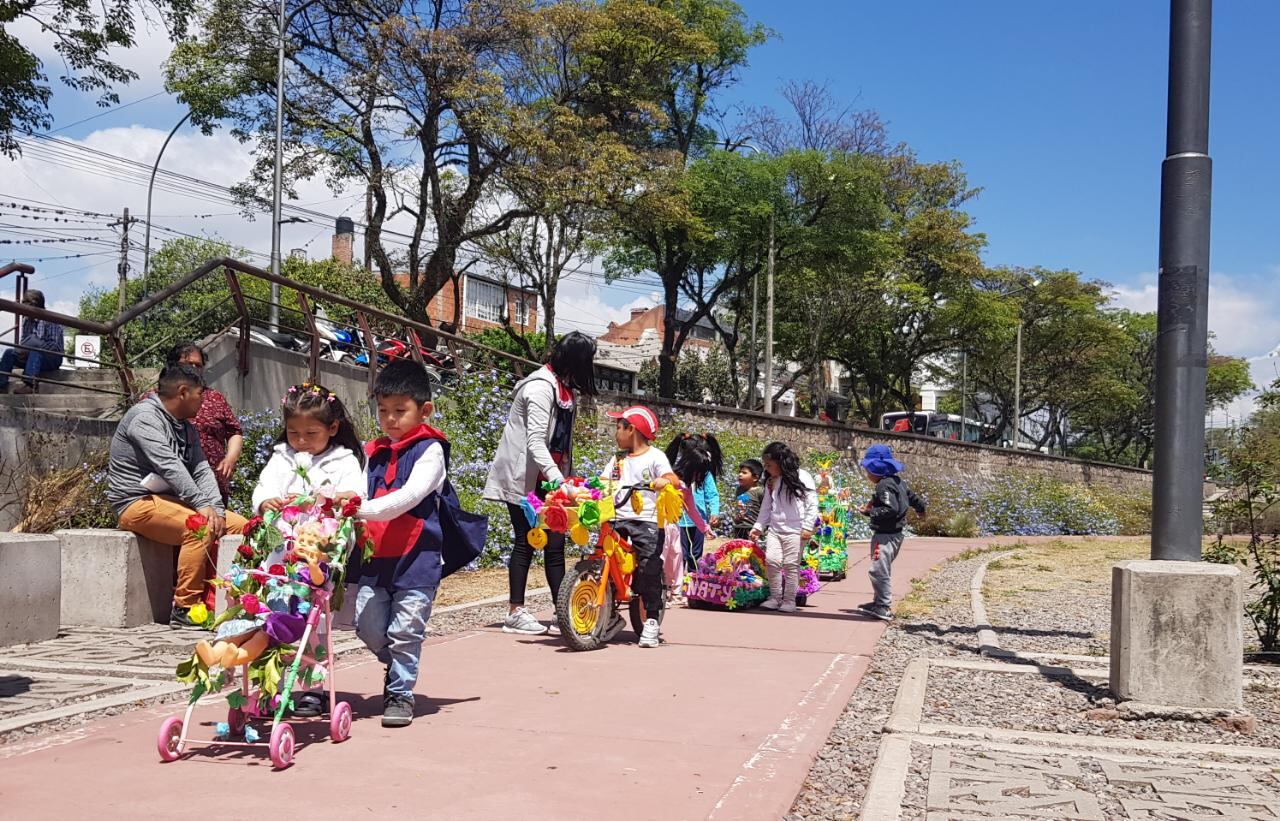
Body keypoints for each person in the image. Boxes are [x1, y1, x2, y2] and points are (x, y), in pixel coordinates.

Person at [351, 360, 483, 727]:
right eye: (382, 411)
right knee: (367, 623)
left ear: (424, 410)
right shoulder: (373, 451)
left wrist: (360, 510)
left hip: (418, 557)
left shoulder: (431, 450)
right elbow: (359, 489)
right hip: (376, 557)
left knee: (406, 628)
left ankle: (400, 693)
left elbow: (410, 496)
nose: (390, 419)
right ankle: (397, 666)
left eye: (399, 411)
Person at [108, 364, 247, 628]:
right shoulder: (145, 418)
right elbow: (169, 466)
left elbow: (200, 468)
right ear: (183, 392)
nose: (202, 403)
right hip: (136, 503)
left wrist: (215, 508)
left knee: (240, 526)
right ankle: (185, 607)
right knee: (199, 528)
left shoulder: (185, 426)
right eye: (199, 396)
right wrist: (201, 506)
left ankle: (231, 599)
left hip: (172, 502)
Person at [483, 331, 597, 637]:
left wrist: (561, 479)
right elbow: (535, 441)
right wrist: (560, 481)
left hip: (547, 480)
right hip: (527, 483)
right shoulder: (539, 388)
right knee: (527, 539)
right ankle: (515, 612)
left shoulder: (564, 389)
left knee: (555, 543)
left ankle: (563, 614)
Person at [600, 406, 679, 648]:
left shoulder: (655, 456)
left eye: (618, 427)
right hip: (616, 517)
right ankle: (609, 614)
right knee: (604, 558)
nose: (615, 433)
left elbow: (672, 478)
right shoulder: (617, 459)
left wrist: (663, 480)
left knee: (648, 568)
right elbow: (604, 481)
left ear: (631, 429)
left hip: (646, 520)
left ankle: (652, 620)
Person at [855, 444, 926, 622]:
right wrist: (921, 509)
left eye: (868, 470)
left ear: (876, 469)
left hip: (885, 536)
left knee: (878, 570)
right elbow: (913, 498)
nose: (867, 474)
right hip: (895, 534)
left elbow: (890, 509)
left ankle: (883, 606)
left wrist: (869, 512)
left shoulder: (883, 486)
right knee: (881, 568)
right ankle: (878, 602)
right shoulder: (898, 482)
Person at [166, 342, 243, 505]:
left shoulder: (215, 398)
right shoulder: (158, 399)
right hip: (171, 489)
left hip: (214, 488)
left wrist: (230, 459)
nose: (194, 369)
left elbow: (234, 432)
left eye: (198, 365)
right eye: (188, 364)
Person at [749, 442, 818, 613]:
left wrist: (808, 526)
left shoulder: (803, 476)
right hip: (775, 529)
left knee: (791, 565)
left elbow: (812, 503)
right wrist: (758, 526)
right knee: (771, 561)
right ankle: (774, 597)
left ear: (780, 462)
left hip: (797, 530)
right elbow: (766, 506)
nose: (766, 468)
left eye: (769, 465)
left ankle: (789, 600)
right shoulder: (771, 481)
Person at [664, 432, 722, 573]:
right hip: (673, 523)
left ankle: (686, 584)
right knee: (677, 556)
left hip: (692, 521)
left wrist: (706, 526)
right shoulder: (672, 479)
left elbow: (694, 508)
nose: (700, 478)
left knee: (691, 555)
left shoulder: (693, 482)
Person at [0, 289, 64, 395]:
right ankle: (1, 385)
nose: (22, 305)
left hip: (52, 358)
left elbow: (53, 347)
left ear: (34, 304)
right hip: (31, 356)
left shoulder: (51, 320)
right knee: (9, 353)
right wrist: (22, 350)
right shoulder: (26, 321)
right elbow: (24, 341)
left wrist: (34, 346)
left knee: (35, 351)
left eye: (24, 302)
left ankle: (31, 385)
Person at [731, 459, 764, 540]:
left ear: (755, 478)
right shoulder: (739, 490)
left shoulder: (759, 491)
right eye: (739, 472)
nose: (740, 475)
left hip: (752, 528)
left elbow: (765, 509)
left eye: (744, 473)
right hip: (738, 527)